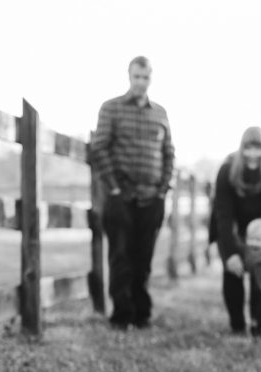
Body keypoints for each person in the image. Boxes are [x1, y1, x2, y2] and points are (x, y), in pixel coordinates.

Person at [91, 55, 175, 329]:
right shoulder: (111, 108)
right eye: (137, 77)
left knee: (144, 259)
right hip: (120, 197)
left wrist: (163, 190)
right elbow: (100, 148)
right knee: (120, 257)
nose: (141, 82)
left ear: (151, 78)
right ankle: (121, 315)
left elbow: (168, 153)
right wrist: (113, 188)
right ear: (129, 77)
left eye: (145, 77)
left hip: (152, 197)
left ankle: (142, 314)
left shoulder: (160, 112)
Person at [211, 127, 261, 335]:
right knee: (233, 273)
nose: (253, 155)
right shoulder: (227, 170)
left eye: (258, 149)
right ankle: (237, 326)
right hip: (233, 231)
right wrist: (230, 253)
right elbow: (224, 215)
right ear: (241, 148)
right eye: (248, 148)